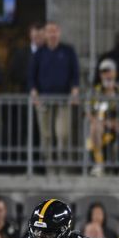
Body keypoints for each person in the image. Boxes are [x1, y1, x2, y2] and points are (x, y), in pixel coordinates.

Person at [28, 21, 81, 171]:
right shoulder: (39, 53)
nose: (52, 34)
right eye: (49, 31)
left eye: (55, 31)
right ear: (44, 34)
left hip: (63, 99)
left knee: (62, 134)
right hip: (44, 99)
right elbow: (32, 77)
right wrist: (34, 94)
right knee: (46, 134)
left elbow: (75, 75)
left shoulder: (68, 51)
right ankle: (49, 166)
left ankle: (62, 165)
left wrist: (74, 92)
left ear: (59, 32)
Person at [6, 21, 43, 93]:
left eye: (40, 35)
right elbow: (13, 75)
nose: (38, 37)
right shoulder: (20, 53)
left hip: (47, 96)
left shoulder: (50, 52)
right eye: (36, 35)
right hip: (26, 95)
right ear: (30, 35)